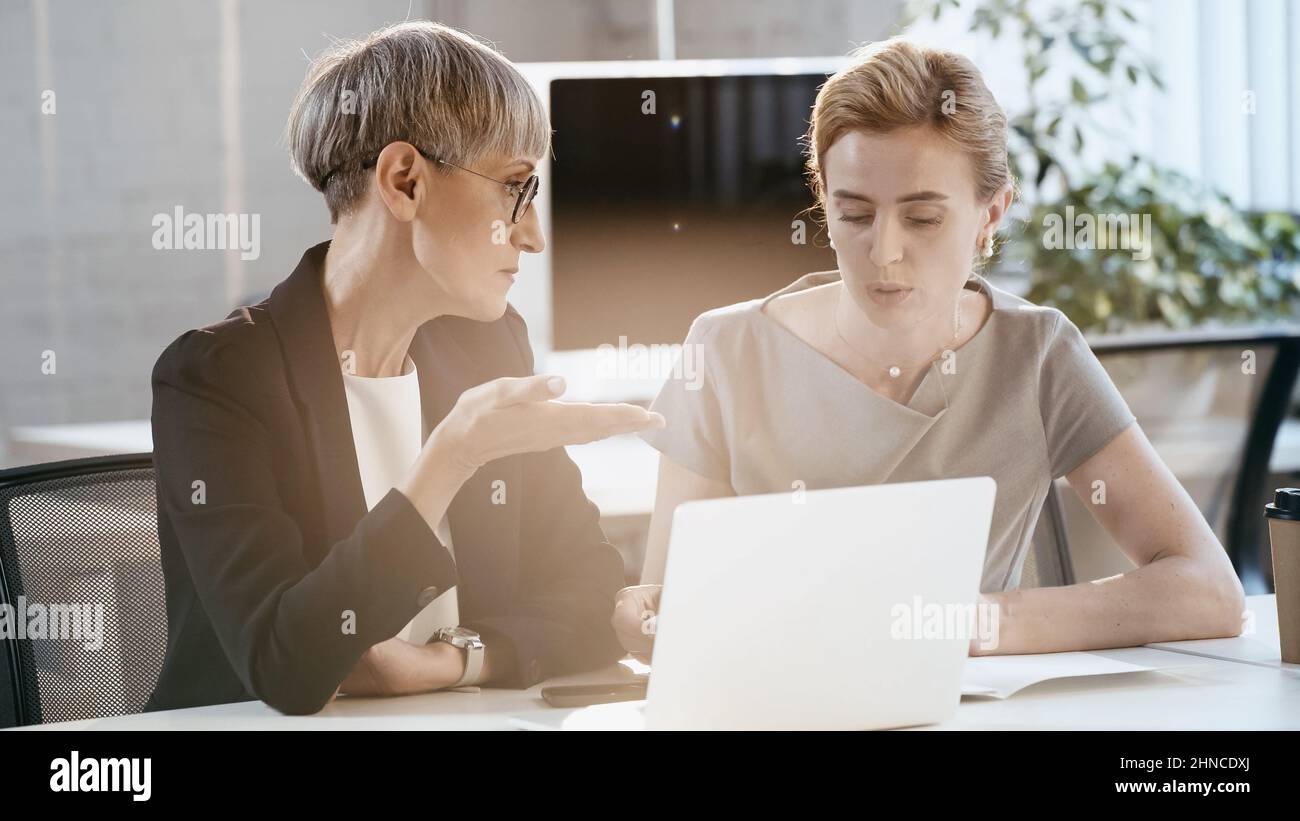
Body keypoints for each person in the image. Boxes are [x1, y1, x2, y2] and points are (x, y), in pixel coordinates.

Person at [613, 37, 1245, 661]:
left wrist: (978, 623)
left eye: (923, 219)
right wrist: (645, 622)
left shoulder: (1037, 353)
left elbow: (1210, 590)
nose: (885, 253)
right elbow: (675, 617)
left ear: (991, 215)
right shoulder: (725, 352)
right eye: (854, 214)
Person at [147, 21, 663, 715]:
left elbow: (589, 593)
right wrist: (450, 456)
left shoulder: (488, 345)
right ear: (405, 181)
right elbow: (286, 663)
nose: (534, 235)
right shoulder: (215, 379)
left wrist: (448, 661)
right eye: (515, 187)